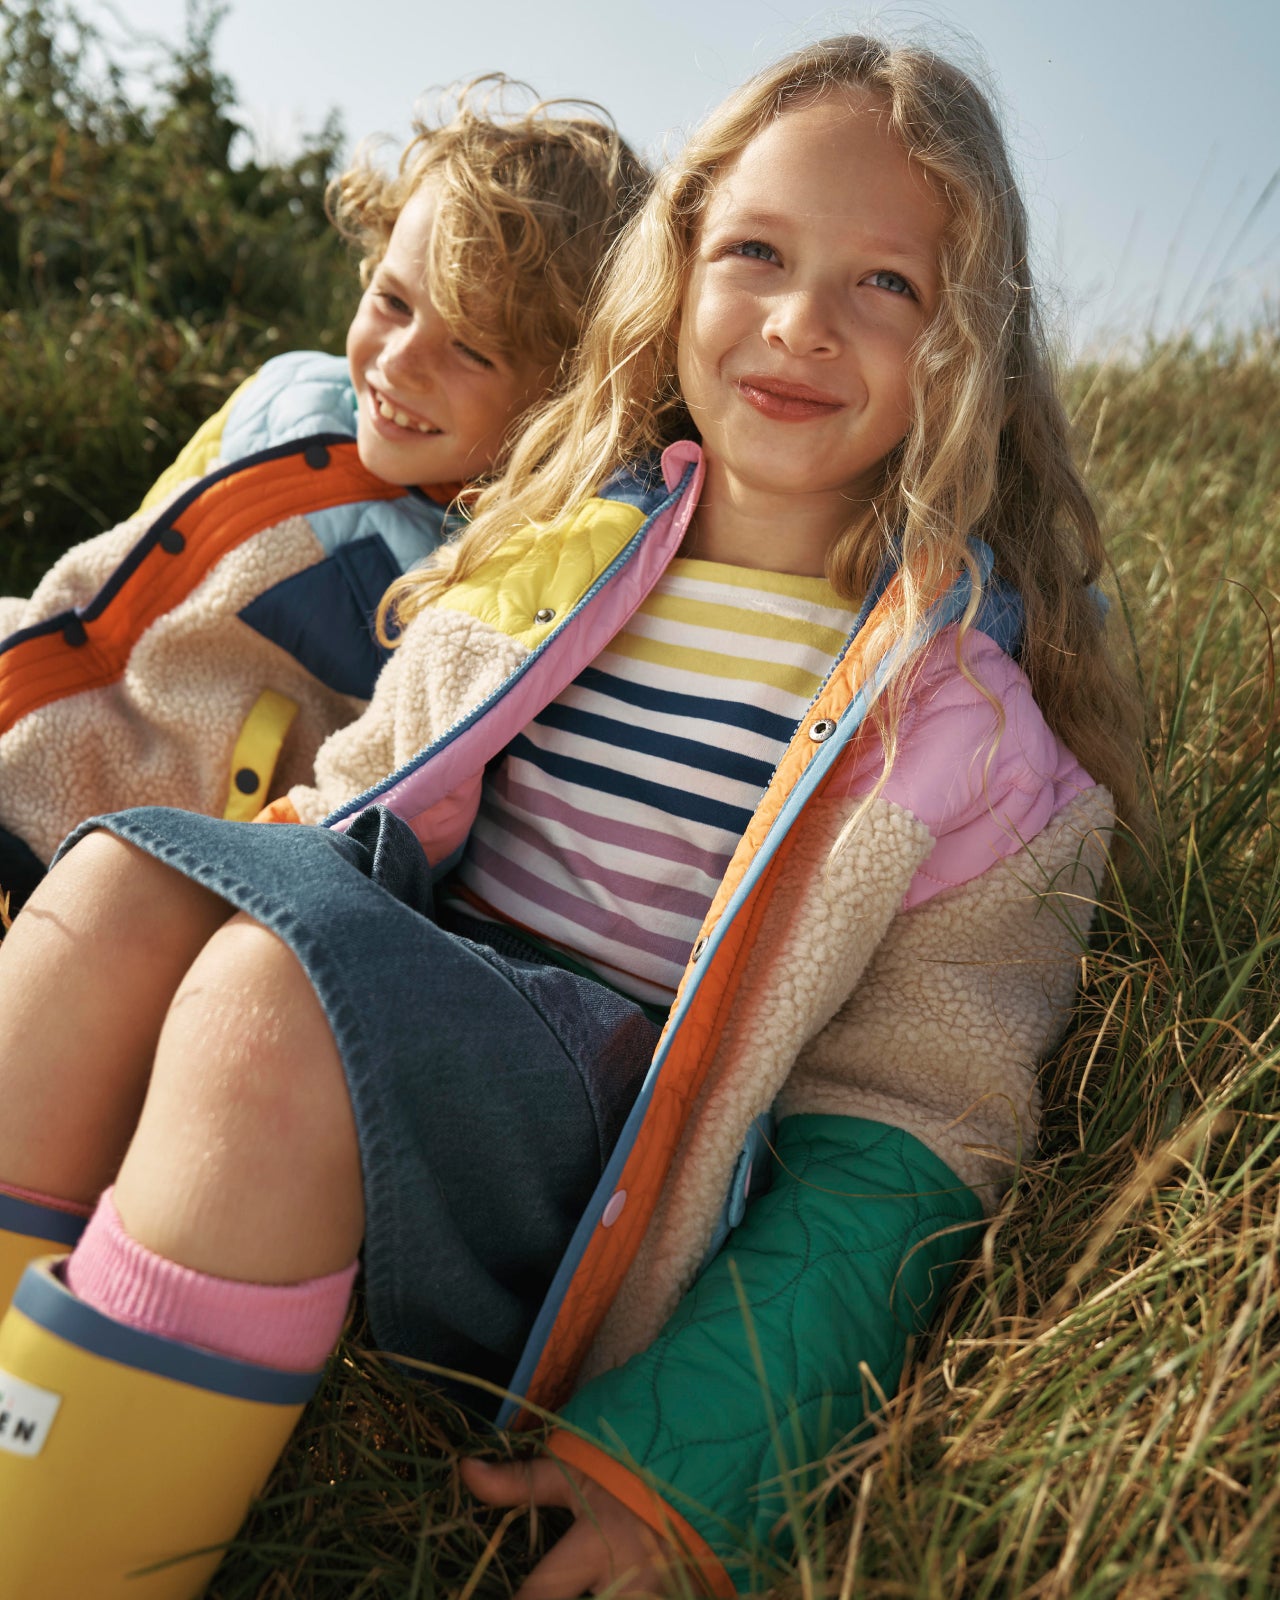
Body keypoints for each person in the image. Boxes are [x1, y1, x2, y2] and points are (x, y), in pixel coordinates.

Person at [0, 32, 1142, 1600]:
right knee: (122, 886)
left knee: (271, 1000)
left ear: (969, 347)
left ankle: (55, 1556)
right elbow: (361, 804)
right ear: (675, 276)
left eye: (886, 284)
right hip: (415, 1003)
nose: (801, 321)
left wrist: (692, 1453)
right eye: (755, 251)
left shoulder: (970, 739)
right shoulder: (556, 555)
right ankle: (43, 1374)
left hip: (610, 1151)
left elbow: (918, 1125)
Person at [0, 78, 648, 913]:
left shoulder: (488, 567)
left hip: (113, 854)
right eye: (391, 300)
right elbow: (131, 545)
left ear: (565, 393)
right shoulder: (283, 393)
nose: (401, 361)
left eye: (472, 351)